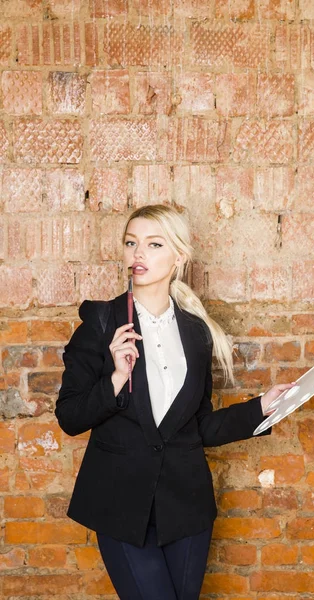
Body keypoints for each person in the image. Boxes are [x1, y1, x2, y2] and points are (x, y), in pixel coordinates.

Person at [55, 204, 294, 600]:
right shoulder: (100, 323)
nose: (138, 254)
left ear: (179, 256)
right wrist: (115, 377)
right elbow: (69, 416)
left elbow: (198, 427)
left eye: (153, 244)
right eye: (131, 243)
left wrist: (261, 408)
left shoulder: (196, 333)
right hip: (121, 507)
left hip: (186, 509)